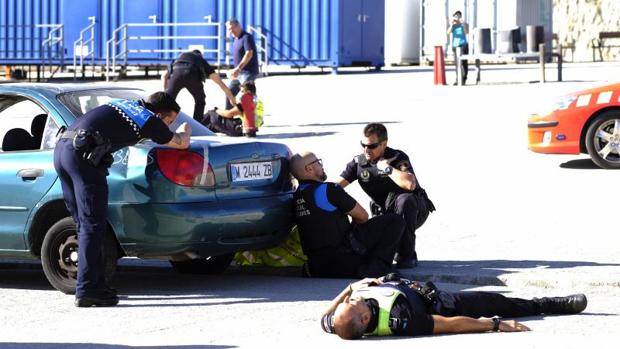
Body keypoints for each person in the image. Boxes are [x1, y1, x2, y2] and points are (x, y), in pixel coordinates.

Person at [53, 92, 191, 307]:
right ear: (160, 113)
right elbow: (180, 143)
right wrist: (185, 129)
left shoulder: (123, 104)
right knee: (92, 224)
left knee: (83, 224)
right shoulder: (147, 118)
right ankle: (88, 289)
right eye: (170, 121)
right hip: (84, 158)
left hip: (63, 151)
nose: (169, 125)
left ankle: (94, 284)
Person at [321, 274, 588, 339]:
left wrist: (352, 287)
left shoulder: (342, 321)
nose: (350, 300)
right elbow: (448, 324)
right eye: (353, 304)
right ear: (366, 319)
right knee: (493, 301)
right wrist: (494, 324)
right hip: (443, 304)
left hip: (411, 286)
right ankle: (551, 304)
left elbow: (325, 317)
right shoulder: (400, 320)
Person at [290, 151, 405, 278]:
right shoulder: (328, 190)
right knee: (395, 220)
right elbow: (363, 216)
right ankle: (377, 267)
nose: (321, 165)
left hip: (316, 267)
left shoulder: (294, 197)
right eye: (317, 162)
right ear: (309, 168)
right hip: (344, 261)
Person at [338, 123, 435, 269]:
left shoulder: (396, 157)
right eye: (363, 144)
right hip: (385, 214)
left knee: (405, 200)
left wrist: (387, 168)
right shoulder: (359, 162)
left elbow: (410, 184)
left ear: (384, 144)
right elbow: (335, 188)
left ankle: (407, 255)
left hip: (414, 210)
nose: (366, 149)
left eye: (371, 146)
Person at [164, 50, 237, 121]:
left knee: (167, 101)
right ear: (200, 55)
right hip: (192, 74)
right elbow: (219, 81)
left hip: (176, 75)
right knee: (200, 100)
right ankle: (197, 122)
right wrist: (231, 97)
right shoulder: (199, 58)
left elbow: (164, 76)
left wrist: (166, 91)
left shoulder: (178, 57)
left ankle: (163, 121)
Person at [225, 18, 260, 110]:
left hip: (248, 72)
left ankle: (252, 118)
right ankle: (228, 119)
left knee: (247, 95)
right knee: (229, 93)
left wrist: (238, 68)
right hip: (239, 73)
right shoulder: (236, 39)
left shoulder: (246, 37)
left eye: (232, 28)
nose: (231, 31)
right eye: (229, 29)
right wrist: (235, 70)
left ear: (238, 26)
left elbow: (249, 53)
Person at [447, 10, 469, 85]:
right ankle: (458, 79)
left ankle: (464, 78)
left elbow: (466, 32)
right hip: (455, 45)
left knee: (463, 63)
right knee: (457, 63)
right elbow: (448, 32)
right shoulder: (453, 25)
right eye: (455, 16)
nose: (457, 17)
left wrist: (464, 23)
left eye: (458, 16)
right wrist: (452, 24)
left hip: (463, 45)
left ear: (461, 16)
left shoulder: (463, 24)